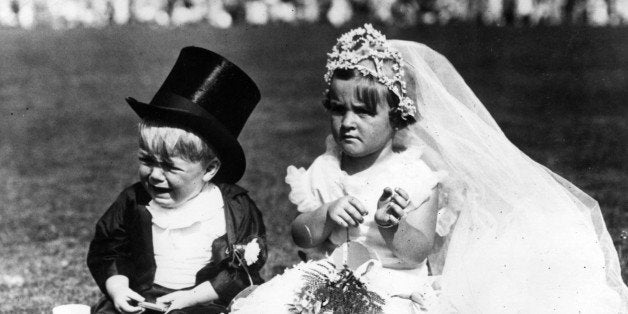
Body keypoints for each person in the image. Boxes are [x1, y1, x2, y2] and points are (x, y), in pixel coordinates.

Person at [235, 24, 628, 313]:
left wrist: (391, 226)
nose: (347, 122)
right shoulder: (325, 168)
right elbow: (300, 236)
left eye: (364, 111)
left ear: (398, 118)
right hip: (329, 275)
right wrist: (324, 214)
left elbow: (415, 252)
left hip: (394, 285)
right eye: (338, 110)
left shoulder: (415, 175)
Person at [87, 47, 266, 314]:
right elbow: (109, 251)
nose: (155, 175)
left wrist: (190, 297)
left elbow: (240, 271)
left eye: (170, 167)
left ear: (209, 169)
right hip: (146, 298)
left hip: (206, 301)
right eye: (147, 161)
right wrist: (119, 288)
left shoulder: (233, 208)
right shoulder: (134, 201)